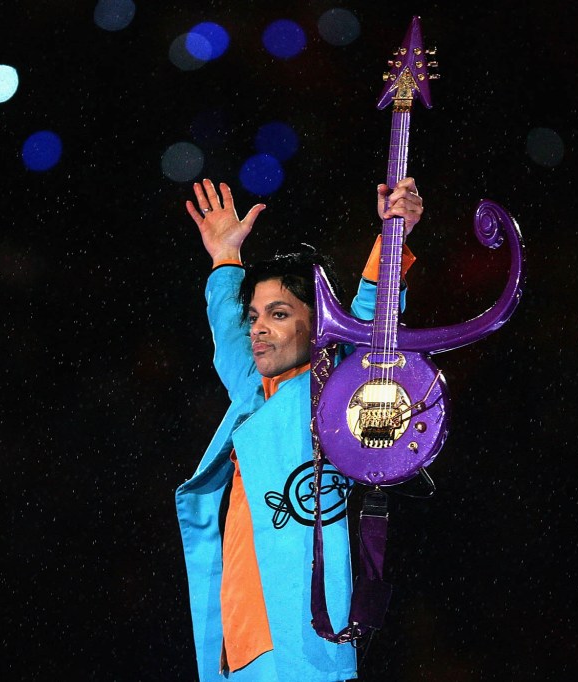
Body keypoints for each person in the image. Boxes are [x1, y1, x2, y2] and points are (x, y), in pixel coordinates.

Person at [175, 176, 424, 681]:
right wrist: (225, 259)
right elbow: (230, 337)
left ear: (320, 325)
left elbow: (372, 321)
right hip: (237, 652)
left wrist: (393, 238)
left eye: (280, 313)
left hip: (308, 650)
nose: (258, 327)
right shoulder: (253, 397)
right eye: (255, 316)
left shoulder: (334, 387)